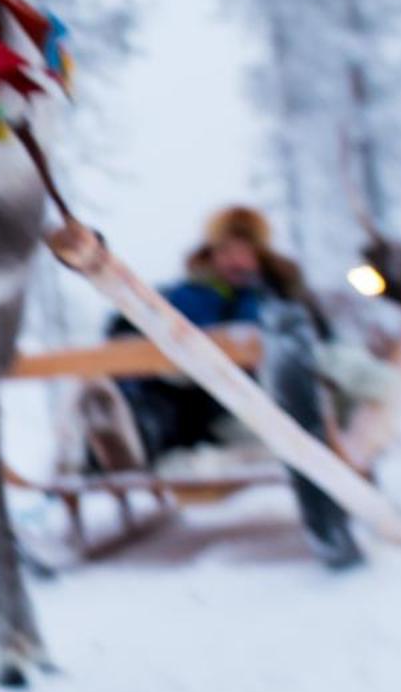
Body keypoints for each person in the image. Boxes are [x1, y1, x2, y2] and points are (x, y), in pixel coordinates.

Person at [79, 205, 364, 569]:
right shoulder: (183, 295)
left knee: (297, 388)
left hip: (267, 401)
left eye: (244, 251)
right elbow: (126, 335)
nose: (236, 260)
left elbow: (321, 345)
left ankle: (333, 493)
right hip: (195, 402)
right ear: (211, 255)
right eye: (226, 251)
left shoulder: (279, 300)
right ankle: (123, 436)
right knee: (153, 388)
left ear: (259, 256)